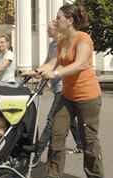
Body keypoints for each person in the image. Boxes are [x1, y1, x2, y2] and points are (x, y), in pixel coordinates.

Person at [20, 4, 105, 178]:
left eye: (59, 18)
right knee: (56, 133)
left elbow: (78, 64)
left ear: (69, 21)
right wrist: (33, 72)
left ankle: (95, 176)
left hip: (87, 96)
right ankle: (53, 176)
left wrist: (56, 74)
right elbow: (51, 64)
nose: (56, 21)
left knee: (88, 137)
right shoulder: (61, 42)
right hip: (67, 95)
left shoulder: (84, 39)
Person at [35, 20, 82, 163]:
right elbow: (47, 62)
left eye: (48, 29)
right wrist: (34, 72)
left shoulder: (64, 43)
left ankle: (37, 154)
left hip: (63, 86)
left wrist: (52, 74)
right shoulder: (52, 45)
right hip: (56, 87)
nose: (47, 32)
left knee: (51, 119)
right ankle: (81, 144)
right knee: (70, 120)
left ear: (55, 30)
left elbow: (64, 65)